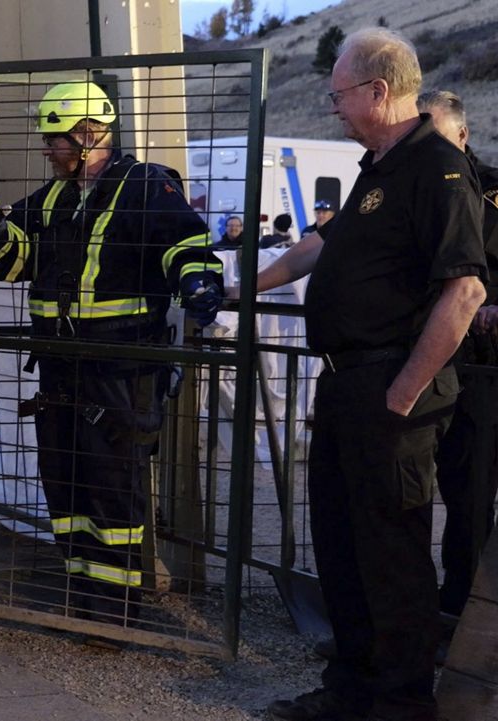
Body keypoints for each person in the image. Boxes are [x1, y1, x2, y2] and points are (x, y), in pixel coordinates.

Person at [257, 29, 486, 721]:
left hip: (391, 390)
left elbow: (465, 293)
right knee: (344, 544)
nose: (333, 107)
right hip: (347, 386)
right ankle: (351, 690)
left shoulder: (436, 168)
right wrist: (246, 287)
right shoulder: (379, 167)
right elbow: (321, 249)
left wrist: (404, 390)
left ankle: (398, 701)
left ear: (378, 92)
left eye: (339, 93)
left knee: (390, 554)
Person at [0, 80, 223, 625]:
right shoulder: (54, 198)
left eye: (54, 138)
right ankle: (81, 589)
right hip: (61, 367)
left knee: (112, 486)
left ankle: (115, 606)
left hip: (120, 367)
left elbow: (186, 243)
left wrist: (198, 284)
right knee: (64, 479)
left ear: (86, 135)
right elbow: (13, 265)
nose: (47, 149)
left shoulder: (147, 186)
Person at [418, 89, 498, 620]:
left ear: (462, 135)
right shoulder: (411, 182)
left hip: (483, 364)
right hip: (433, 360)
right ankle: (437, 607)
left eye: (433, 132)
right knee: (435, 492)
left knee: (472, 492)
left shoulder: (491, 190)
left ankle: (469, 611)